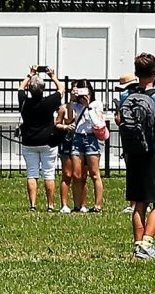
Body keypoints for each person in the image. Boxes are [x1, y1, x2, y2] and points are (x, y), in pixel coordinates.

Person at [115, 52, 155, 261]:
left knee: (138, 201)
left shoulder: (127, 96)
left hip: (133, 152)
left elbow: (119, 119)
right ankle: (147, 242)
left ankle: (138, 244)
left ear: (136, 73)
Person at [16, 66, 62, 213]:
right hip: (47, 141)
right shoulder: (49, 102)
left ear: (30, 89)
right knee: (49, 173)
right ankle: (50, 205)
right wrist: (52, 76)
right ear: (42, 89)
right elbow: (61, 89)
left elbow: (20, 88)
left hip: (29, 141)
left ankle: (33, 205)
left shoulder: (24, 102)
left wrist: (30, 74)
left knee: (32, 173)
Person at [61, 80, 103, 215]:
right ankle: (77, 205)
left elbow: (97, 123)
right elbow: (68, 119)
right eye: (81, 91)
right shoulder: (75, 105)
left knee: (94, 174)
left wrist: (88, 106)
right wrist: (72, 101)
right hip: (78, 137)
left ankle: (97, 205)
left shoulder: (96, 104)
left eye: (86, 90)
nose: (84, 94)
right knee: (76, 174)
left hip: (91, 138)